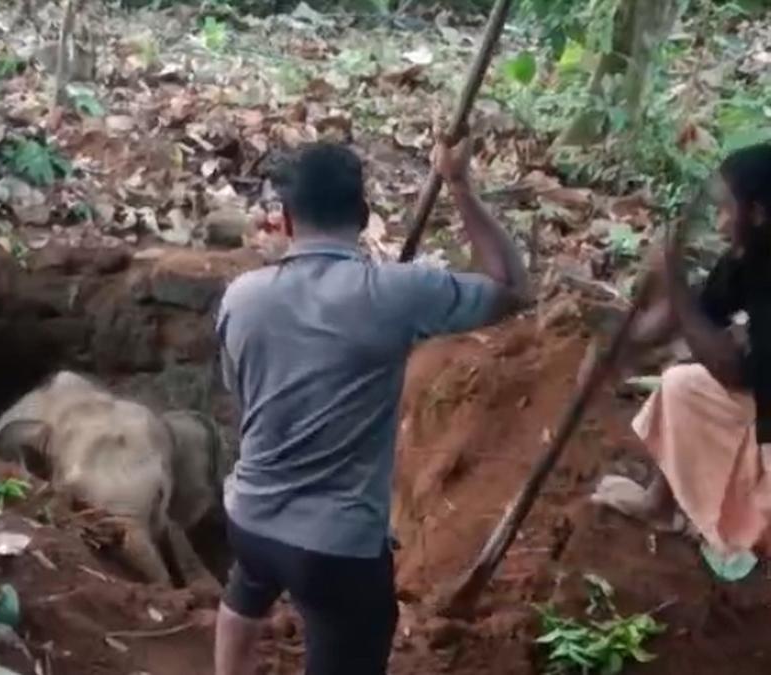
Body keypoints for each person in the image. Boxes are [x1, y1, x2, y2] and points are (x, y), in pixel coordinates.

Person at [212, 139, 531, 675]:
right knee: (351, 630)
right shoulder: (396, 293)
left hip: (250, 516)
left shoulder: (242, 296)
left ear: (285, 220)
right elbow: (513, 287)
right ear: (363, 216)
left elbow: (241, 394)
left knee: (248, 583)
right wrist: (458, 185)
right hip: (336, 549)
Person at [593, 142, 771, 561]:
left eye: (728, 211)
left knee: (706, 365)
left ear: (759, 214)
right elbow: (687, 318)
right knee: (685, 382)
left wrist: (673, 281)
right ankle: (661, 505)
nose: (722, 224)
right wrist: (611, 339)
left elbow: (729, 368)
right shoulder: (751, 256)